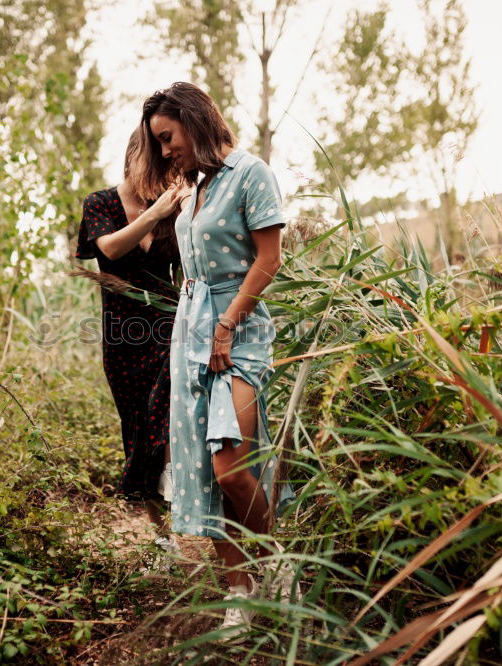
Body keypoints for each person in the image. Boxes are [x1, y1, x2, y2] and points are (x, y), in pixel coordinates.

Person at [140, 82, 297, 636]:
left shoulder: (251, 173)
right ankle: (240, 592)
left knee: (232, 468)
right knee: (209, 471)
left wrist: (227, 325)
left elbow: (269, 258)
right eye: (157, 143)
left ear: (193, 119)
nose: (164, 151)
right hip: (193, 333)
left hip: (240, 331)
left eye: (167, 137)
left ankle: (276, 562)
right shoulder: (195, 185)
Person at [75, 128, 188, 557]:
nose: (160, 171)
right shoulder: (100, 203)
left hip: (170, 329)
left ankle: (190, 494)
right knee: (138, 435)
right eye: (154, 162)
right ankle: (165, 544)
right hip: (122, 338)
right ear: (133, 157)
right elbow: (111, 249)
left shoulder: (174, 210)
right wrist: (157, 211)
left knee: (169, 415)